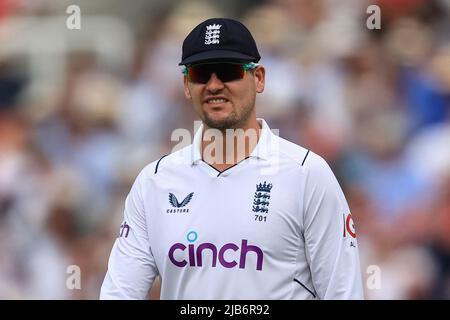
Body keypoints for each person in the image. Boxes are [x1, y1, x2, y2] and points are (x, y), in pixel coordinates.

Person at [100, 17, 364, 300]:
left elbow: (343, 292)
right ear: (187, 85)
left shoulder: (306, 174)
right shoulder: (154, 182)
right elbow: (119, 293)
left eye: (228, 71)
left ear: (259, 78)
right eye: (201, 74)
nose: (214, 85)